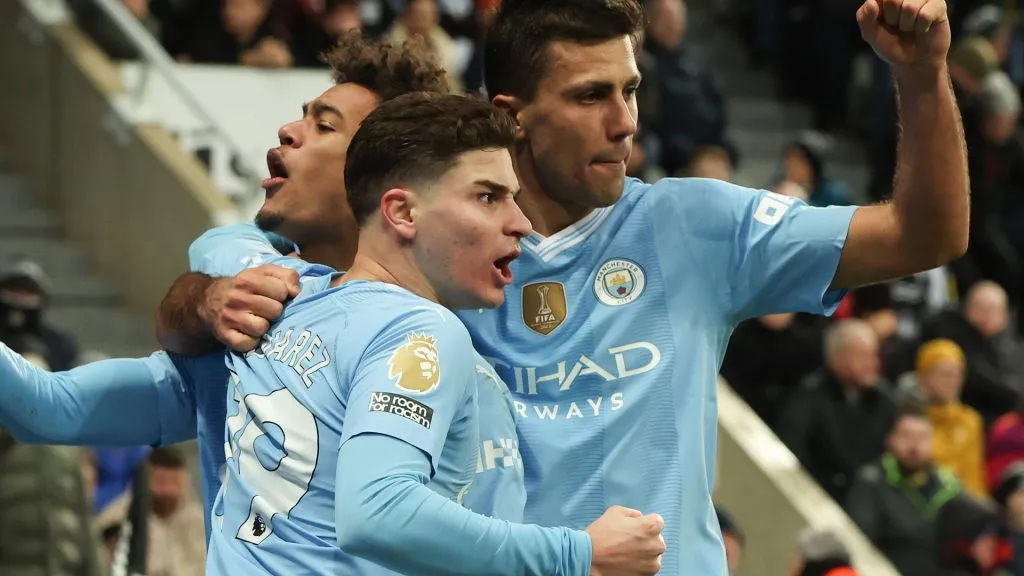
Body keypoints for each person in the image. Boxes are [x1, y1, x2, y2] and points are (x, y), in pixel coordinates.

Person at [176, 0, 968, 573]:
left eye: (629, 89)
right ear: (511, 117)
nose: (624, 120)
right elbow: (216, 285)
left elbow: (925, 236)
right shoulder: (426, 253)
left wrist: (922, 75)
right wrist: (207, 299)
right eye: (592, 96)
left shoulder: (694, 227)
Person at [0, 30, 453, 542]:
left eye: (323, 126)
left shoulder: (438, 339)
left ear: (383, 177)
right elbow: (50, 408)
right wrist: (209, 293)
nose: (286, 130)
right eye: (301, 116)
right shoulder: (244, 327)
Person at [207, 91, 665, 575]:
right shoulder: (420, 329)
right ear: (402, 213)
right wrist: (579, 554)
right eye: (488, 197)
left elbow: (137, 391)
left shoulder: (282, 298)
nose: (521, 224)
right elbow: (377, 512)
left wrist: (207, 297)